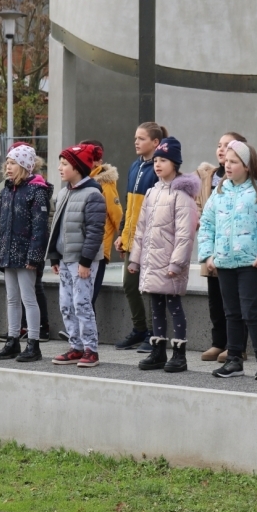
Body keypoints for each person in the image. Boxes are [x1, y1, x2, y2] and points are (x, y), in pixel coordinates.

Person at [198, 140, 257, 381]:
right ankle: (234, 359)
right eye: (226, 161)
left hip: (251, 264)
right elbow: (207, 224)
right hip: (224, 263)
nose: (228, 165)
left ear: (247, 165)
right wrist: (208, 255)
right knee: (231, 313)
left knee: (251, 312)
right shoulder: (220, 191)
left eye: (234, 161)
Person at [129, 136, 199, 373]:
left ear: (175, 164)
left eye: (163, 160)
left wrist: (177, 263)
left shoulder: (182, 195)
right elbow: (142, 229)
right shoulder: (152, 193)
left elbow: (185, 234)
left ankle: (179, 354)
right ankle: (158, 350)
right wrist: (135, 260)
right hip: (153, 261)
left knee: (174, 305)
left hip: (170, 263)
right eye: (156, 160)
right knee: (156, 306)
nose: (158, 165)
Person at [47, 143, 107, 368]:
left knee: (82, 304)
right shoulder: (63, 192)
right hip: (65, 259)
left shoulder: (92, 194)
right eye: (60, 163)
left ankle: (91, 349)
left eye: (65, 164)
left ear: (78, 167)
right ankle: (76, 346)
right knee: (66, 304)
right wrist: (54, 256)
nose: (60, 168)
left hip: (82, 262)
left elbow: (94, 231)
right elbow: (56, 226)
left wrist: (85, 261)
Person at [0, 144, 50, 363]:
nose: (8, 167)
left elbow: (40, 227)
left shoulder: (36, 191)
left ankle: (33, 342)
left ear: (24, 165)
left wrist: (34, 257)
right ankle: (12, 340)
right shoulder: (6, 190)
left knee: (28, 298)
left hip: (25, 256)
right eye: (7, 162)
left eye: (13, 163)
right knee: (12, 298)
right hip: (8, 254)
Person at [196, 131, 247, 363]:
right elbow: (200, 206)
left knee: (233, 300)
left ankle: (236, 346)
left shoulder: (245, 182)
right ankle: (218, 342)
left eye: (227, 146)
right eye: (219, 145)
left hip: (233, 248)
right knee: (215, 299)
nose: (221, 150)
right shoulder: (208, 177)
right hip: (212, 246)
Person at [114, 122, 165, 353]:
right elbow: (129, 204)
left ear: (155, 142)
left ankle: (155, 333)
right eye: (135, 137)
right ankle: (140, 329)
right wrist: (123, 233)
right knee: (129, 284)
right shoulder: (135, 166)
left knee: (151, 287)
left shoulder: (159, 168)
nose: (136, 142)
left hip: (151, 239)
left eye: (141, 138)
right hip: (133, 238)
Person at [81, 140, 123, 306]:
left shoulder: (104, 184)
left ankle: (89, 332)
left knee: (88, 297)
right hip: (83, 247)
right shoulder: (82, 181)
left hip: (98, 249)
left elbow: (116, 214)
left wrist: (123, 239)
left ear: (98, 161)